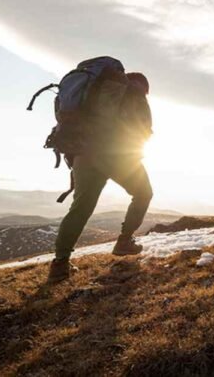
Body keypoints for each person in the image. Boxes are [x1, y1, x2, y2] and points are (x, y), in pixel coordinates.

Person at [47, 72, 154, 283]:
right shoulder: (133, 93)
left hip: (82, 155)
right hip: (116, 154)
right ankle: (124, 242)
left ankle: (59, 264)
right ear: (143, 86)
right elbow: (143, 129)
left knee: (80, 208)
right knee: (143, 193)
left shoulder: (90, 95)